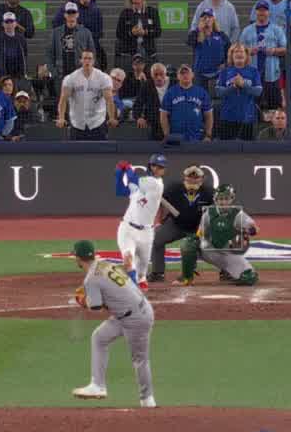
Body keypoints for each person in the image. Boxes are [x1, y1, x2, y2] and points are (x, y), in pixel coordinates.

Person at [70, 238, 156, 408]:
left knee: (140, 360)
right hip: (129, 313)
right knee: (99, 337)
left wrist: (83, 300)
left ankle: (148, 401)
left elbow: (95, 306)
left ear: (78, 258)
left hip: (136, 318)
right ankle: (98, 385)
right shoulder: (105, 264)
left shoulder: (90, 280)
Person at [181, 184, 260, 286]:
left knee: (249, 278)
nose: (223, 202)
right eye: (220, 199)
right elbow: (200, 232)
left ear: (232, 199)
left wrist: (251, 231)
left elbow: (255, 228)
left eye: (226, 199)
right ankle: (187, 277)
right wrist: (196, 241)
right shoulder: (209, 213)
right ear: (215, 200)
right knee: (189, 243)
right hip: (209, 250)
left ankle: (228, 272)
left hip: (228, 253)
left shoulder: (237, 214)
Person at [152, 165, 215, 284]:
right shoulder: (173, 189)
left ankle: (226, 271)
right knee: (156, 238)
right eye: (190, 178)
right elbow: (161, 203)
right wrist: (160, 222)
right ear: (184, 178)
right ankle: (157, 273)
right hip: (177, 224)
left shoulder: (209, 192)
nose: (193, 180)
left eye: (196, 178)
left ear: (202, 179)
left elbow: (217, 211)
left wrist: (206, 230)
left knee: (220, 238)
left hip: (199, 227)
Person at [113, 154, 167, 291]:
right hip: (127, 228)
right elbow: (120, 191)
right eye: (155, 165)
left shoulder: (156, 184)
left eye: (161, 167)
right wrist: (119, 174)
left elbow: (132, 179)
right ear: (150, 166)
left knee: (142, 270)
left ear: (163, 170)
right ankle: (133, 291)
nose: (157, 169)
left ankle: (141, 279)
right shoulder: (142, 183)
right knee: (128, 259)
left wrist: (128, 168)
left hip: (146, 233)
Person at [56, 49, 118, 141]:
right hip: (77, 123)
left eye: (90, 58)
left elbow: (109, 100)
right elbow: (63, 99)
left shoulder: (104, 78)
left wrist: (112, 118)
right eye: (85, 58)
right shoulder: (71, 78)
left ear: (93, 61)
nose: (87, 61)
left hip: (97, 123)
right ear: (80, 60)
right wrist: (61, 118)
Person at [160, 64, 213, 143]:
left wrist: (208, 135)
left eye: (187, 73)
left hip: (197, 137)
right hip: (176, 138)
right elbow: (163, 116)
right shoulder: (170, 93)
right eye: (182, 73)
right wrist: (167, 135)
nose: (185, 75)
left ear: (192, 75)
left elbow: (208, 116)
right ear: (178, 76)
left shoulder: (202, 92)